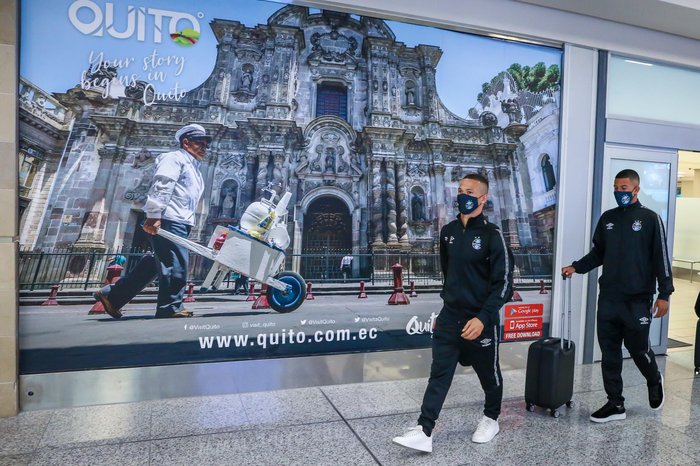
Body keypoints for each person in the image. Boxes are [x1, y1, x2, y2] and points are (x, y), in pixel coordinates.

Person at [392, 173, 513, 452]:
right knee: (439, 373)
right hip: (450, 317)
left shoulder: (493, 236)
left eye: (469, 191)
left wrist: (483, 318)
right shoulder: (448, 232)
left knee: (489, 375)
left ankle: (491, 417)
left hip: (480, 322)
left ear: (483, 198)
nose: (462, 195)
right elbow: (450, 272)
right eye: (460, 190)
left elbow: (504, 285)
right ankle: (424, 429)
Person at [562, 169, 673, 423]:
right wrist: (576, 267)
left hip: (637, 300)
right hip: (609, 299)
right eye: (616, 187)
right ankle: (615, 403)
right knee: (609, 353)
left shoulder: (649, 218)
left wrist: (664, 293)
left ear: (636, 189)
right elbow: (598, 253)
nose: (619, 192)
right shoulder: (607, 219)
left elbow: (661, 259)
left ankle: (654, 379)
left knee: (638, 349)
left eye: (624, 188)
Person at [93, 123, 210, 319]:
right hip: (169, 219)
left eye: (206, 145)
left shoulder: (194, 166)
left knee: (154, 264)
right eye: (200, 143)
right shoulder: (173, 158)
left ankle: (112, 295)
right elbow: (162, 184)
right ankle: (170, 307)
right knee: (176, 263)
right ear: (186, 142)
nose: (204, 148)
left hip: (180, 219)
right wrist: (154, 214)